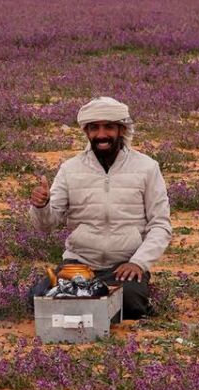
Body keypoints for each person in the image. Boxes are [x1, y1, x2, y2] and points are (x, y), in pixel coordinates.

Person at [29, 97, 172, 319]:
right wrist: (42, 206)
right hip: (79, 265)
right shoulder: (70, 169)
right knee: (38, 297)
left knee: (131, 302)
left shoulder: (147, 168)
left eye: (109, 127)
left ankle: (86, 308)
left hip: (123, 267)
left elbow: (160, 225)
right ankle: (91, 308)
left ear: (121, 129)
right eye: (94, 128)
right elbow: (47, 225)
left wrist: (138, 263)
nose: (102, 135)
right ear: (86, 132)